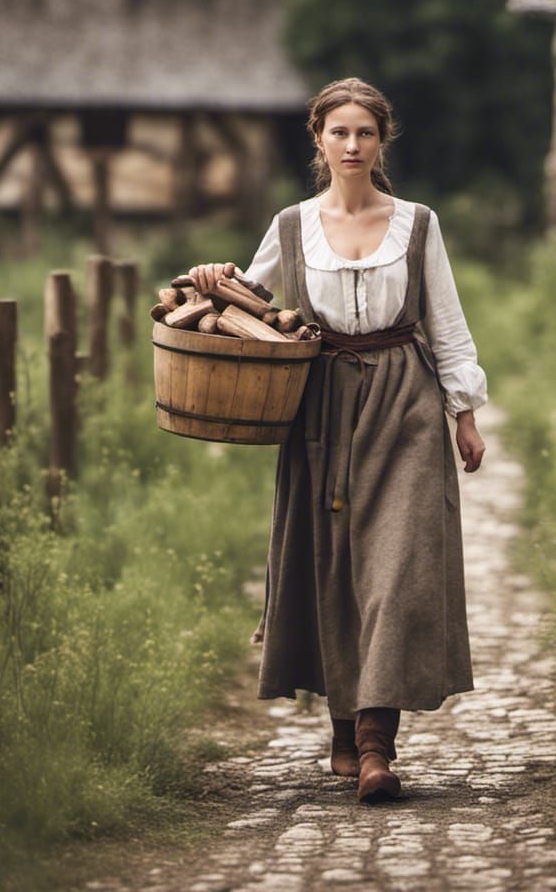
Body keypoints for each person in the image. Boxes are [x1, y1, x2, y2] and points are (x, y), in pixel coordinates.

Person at [189, 78, 487, 803]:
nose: (352, 145)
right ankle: (345, 726)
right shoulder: (292, 227)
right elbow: (246, 301)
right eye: (339, 133)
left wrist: (464, 410)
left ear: (382, 141)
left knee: (396, 569)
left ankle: (378, 744)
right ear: (318, 141)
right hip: (320, 408)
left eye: (365, 133)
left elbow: (443, 320)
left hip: (403, 402)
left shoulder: (418, 223)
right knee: (332, 569)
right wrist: (207, 279)